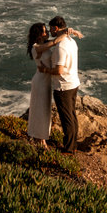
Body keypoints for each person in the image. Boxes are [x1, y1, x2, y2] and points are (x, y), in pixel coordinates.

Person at [46, 15, 81, 153]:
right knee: (71, 115)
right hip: (73, 83)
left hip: (63, 86)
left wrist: (45, 70)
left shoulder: (61, 46)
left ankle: (69, 148)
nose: (50, 32)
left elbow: (59, 70)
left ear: (55, 28)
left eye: (50, 29)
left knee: (67, 118)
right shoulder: (71, 41)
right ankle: (73, 145)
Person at [26, 22, 53, 147]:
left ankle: (39, 137)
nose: (47, 32)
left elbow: (53, 42)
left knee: (43, 109)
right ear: (38, 35)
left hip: (46, 80)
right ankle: (40, 139)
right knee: (40, 110)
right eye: (44, 31)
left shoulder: (43, 45)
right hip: (40, 81)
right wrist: (66, 33)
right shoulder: (36, 47)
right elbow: (53, 42)